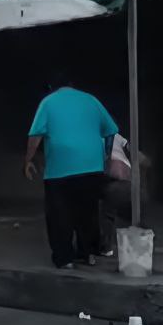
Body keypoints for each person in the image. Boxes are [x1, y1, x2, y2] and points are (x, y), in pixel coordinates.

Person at [23, 74, 118, 269]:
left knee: (59, 214)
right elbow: (111, 130)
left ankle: (64, 258)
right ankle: (86, 254)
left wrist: (28, 160)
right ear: (72, 85)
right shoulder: (91, 100)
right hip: (92, 166)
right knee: (87, 212)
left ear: (52, 87)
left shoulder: (48, 102)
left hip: (60, 168)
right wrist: (106, 155)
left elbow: (35, 135)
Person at [98, 133, 151, 257]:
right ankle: (144, 240)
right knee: (132, 214)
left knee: (107, 212)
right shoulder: (116, 136)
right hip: (130, 181)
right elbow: (137, 154)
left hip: (113, 180)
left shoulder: (93, 136)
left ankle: (106, 246)